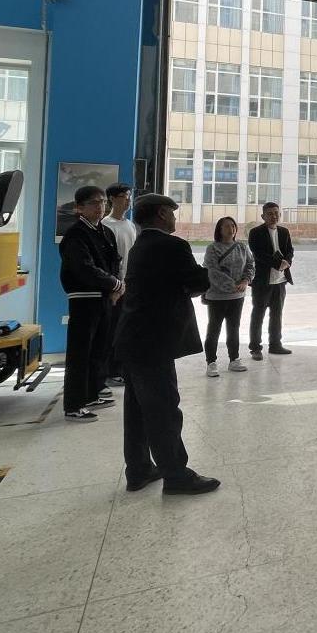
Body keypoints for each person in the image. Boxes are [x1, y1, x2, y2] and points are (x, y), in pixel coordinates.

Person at [112, 193, 219, 495]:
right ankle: (176, 475)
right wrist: (204, 274)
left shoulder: (141, 245)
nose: (174, 218)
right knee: (163, 409)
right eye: (172, 213)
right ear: (161, 213)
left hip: (133, 339)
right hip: (153, 342)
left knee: (137, 410)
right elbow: (199, 281)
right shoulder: (172, 245)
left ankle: (139, 469)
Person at [58, 185, 122, 421]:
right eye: (94, 203)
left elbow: (114, 262)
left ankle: (92, 393)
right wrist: (114, 284)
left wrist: (116, 286)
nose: (100, 207)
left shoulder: (105, 232)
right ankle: (74, 405)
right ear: (79, 208)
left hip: (105, 297)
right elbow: (83, 267)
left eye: (103, 202)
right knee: (81, 353)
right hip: (84, 298)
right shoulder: (76, 234)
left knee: (99, 350)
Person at [202, 216, 255, 376]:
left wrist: (245, 281)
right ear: (219, 229)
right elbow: (212, 271)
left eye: (233, 225)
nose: (231, 229)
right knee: (214, 329)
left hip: (237, 297)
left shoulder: (242, 247)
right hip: (217, 296)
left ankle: (234, 359)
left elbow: (250, 265)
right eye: (226, 226)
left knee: (233, 328)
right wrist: (233, 286)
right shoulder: (213, 248)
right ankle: (211, 362)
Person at [100, 182, 137, 388]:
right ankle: (110, 371)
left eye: (129, 196)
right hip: (115, 288)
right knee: (112, 330)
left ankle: (122, 368)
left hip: (131, 286)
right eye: (124, 196)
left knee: (126, 330)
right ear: (112, 199)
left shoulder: (130, 225)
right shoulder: (106, 225)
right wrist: (115, 286)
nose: (128, 200)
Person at [247, 202, 294, 358]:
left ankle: (275, 345)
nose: (274, 216)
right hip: (262, 281)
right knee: (258, 315)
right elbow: (258, 253)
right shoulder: (255, 233)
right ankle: (255, 348)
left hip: (280, 281)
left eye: (276, 213)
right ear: (263, 216)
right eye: (270, 213)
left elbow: (290, 250)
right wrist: (278, 264)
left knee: (277, 314)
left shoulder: (284, 232)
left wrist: (287, 262)